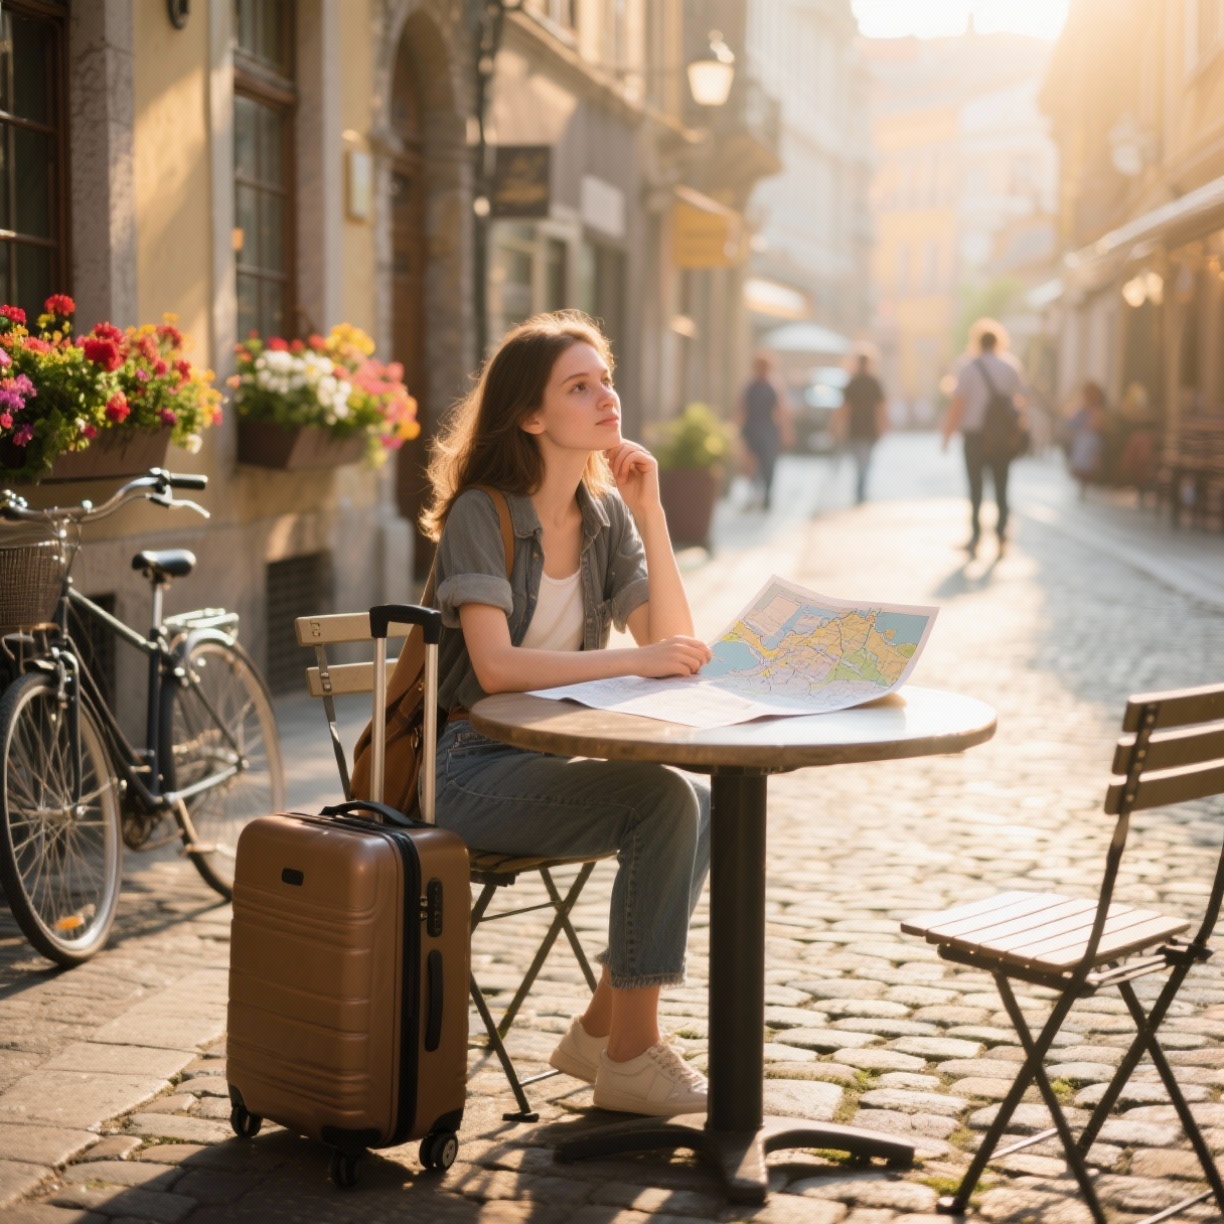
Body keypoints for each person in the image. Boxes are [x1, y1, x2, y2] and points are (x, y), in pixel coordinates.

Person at [421, 310, 713, 1118]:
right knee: (658, 800)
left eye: (606, 379)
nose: (605, 397)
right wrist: (631, 659)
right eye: (579, 386)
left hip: (543, 762)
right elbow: (495, 666)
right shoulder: (483, 513)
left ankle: (598, 1033)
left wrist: (650, 512)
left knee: (702, 797)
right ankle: (632, 1055)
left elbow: (672, 640)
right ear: (532, 414)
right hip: (465, 770)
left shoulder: (605, 518)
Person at [941, 319, 1027, 558]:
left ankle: (975, 537)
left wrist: (947, 434)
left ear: (977, 342)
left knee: (975, 487)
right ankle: (1001, 536)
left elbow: (958, 404)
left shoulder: (968, 366)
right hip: (1002, 438)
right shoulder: (1011, 366)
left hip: (975, 436)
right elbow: (1019, 403)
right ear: (999, 341)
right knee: (1002, 486)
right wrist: (1019, 433)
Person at [735, 352, 792, 510]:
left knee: (768, 464)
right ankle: (753, 493)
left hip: (768, 429)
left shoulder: (774, 386)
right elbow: (742, 408)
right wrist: (735, 428)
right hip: (752, 429)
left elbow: (781, 410)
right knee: (751, 464)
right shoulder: (750, 386)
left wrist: (785, 431)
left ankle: (767, 494)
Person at [835, 353, 888, 503]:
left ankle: (860, 487)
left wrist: (836, 425)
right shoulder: (872, 382)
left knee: (860, 460)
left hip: (857, 428)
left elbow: (845, 408)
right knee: (866, 461)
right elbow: (881, 408)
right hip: (868, 429)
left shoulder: (853, 383)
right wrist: (883, 425)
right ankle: (861, 488)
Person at [1065, 380, 1108, 496]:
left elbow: (1097, 425)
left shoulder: (1097, 409)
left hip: (1092, 438)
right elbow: (1071, 422)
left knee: (1088, 443)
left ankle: (1086, 473)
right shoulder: (1080, 408)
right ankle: (1080, 473)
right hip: (1080, 437)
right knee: (1082, 443)